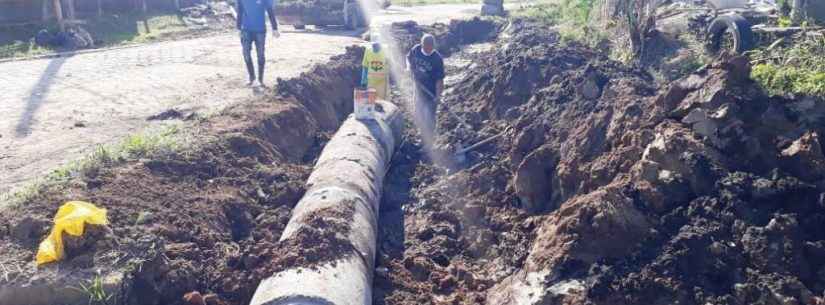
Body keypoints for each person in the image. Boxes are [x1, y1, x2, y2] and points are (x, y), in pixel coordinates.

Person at [406, 34, 444, 149]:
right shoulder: (416, 49)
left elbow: (439, 80)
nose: (428, 50)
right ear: (422, 45)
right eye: (426, 48)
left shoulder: (437, 59)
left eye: (430, 48)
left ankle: (430, 142)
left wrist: (438, 96)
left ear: (433, 46)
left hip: (430, 93)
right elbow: (408, 59)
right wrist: (409, 69)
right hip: (418, 90)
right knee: (419, 113)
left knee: (429, 117)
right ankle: (421, 137)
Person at [236, 0, 280, 87]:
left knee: (260, 55)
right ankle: (252, 77)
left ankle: (260, 80)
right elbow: (240, 12)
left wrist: (274, 28)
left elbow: (270, 11)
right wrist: (238, 28)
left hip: (260, 30)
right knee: (246, 54)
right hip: (246, 30)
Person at [361, 35, 389, 101]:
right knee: (370, 101)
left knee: (381, 102)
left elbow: (389, 65)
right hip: (371, 82)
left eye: (376, 45)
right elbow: (365, 67)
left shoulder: (385, 51)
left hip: (382, 83)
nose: (375, 47)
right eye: (373, 45)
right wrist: (363, 81)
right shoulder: (368, 51)